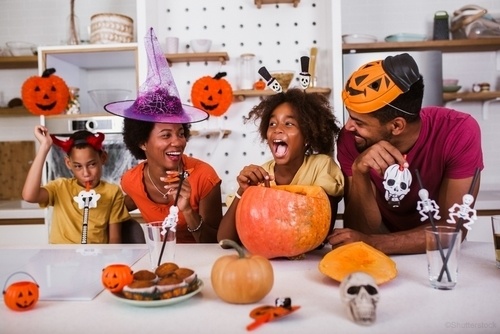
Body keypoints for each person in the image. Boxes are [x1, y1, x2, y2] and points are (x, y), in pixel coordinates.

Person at [328, 53, 484, 255]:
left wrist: (374, 243)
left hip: (436, 256)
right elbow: (360, 229)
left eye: (359, 122)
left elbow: (452, 229)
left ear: (396, 126)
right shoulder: (352, 139)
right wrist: (360, 172)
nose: (348, 127)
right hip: (376, 248)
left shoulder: (459, 131)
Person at [105, 28, 222, 243]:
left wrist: (188, 211)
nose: (177, 141)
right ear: (141, 141)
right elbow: (116, 207)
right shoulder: (130, 181)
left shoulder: (204, 177)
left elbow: (219, 243)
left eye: (180, 133)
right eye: (166, 135)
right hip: (158, 264)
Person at [218, 87, 344, 243]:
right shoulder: (259, 174)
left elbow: (320, 233)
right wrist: (242, 191)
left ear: (307, 138)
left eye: (289, 123)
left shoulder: (322, 167)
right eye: (272, 123)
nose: (277, 129)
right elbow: (224, 240)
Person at [22, 126, 131, 244]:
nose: (86, 174)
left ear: (103, 158)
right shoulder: (60, 187)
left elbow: (114, 239)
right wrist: (44, 147)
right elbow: (29, 196)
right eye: (78, 166)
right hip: (61, 259)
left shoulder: (113, 192)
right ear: (68, 163)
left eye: (92, 164)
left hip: (96, 258)